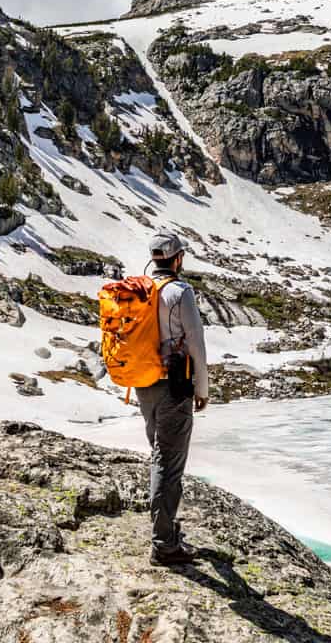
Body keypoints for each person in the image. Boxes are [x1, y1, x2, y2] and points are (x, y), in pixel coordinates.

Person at [135, 229, 209, 566]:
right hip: (174, 384)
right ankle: (164, 544)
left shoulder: (140, 289)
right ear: (177, 259)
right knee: (169, 462)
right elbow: (196, 344)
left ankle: (165, 528)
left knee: (158, 455)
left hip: (143, 382)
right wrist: (202, 390)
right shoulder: (181, 292)